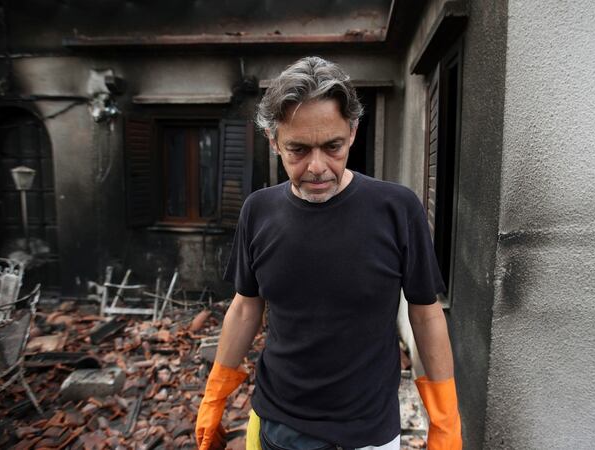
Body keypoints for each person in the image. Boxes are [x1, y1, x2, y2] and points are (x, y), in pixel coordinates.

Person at [195, 56, 461, 450]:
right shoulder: (258, 210)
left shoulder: (397, 209)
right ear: (273, 141)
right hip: (278, 426)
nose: (317, 167)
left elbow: (425, 313)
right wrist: (215, 395)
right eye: (297, 150)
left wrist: (444, 418)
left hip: (368, 432)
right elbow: (246, 307)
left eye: (332, 146)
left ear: (352, 132)